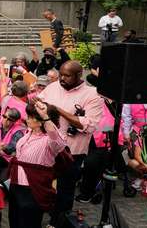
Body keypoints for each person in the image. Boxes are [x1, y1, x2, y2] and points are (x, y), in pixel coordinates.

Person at [37, 60, 103, 226]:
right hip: (48, 147)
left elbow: (88, 125)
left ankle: (59, 221)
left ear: (79, 75)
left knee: (65, 189)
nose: (62, 78)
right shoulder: (52, 87)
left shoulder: (93, 94)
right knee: (42, 184)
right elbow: (39, 102)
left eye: (67, 76)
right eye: (61, 74)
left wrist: (58, 109)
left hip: (71, 151)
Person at [8, 101, 66, 228]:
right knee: (14, 220)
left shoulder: (49, 141)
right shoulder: (28, 133)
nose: (27, 118)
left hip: (33, 188)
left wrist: (45, 116)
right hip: (16, 185)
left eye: (30, 116)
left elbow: (58, 142)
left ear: (40, 122)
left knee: (29, 223)